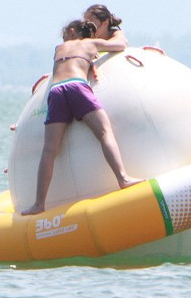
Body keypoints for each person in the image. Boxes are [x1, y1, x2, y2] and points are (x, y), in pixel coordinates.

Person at [21, 19, 141, 216]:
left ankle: (39, 204)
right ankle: (123, 178)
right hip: (78, 86)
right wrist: (116, 32)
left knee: (49, 150)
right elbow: (120, 45)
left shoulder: (59, 48)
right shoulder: (91, 44)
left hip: (57, 91)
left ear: (71, 31)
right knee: (104, 132)